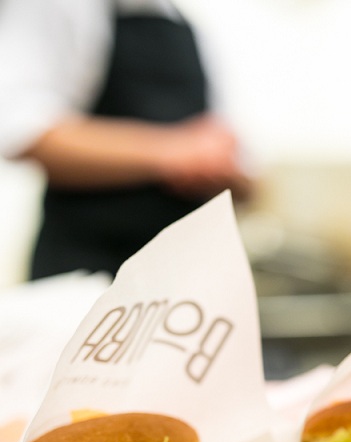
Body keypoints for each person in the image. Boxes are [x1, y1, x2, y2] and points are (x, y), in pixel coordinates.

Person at [0, 0, 252, 280]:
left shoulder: (191, 27)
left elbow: (242, 165)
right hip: (87, 267)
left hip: (186, 268)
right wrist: (173, 152)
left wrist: (221, 168)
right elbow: (21, 130)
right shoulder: (59, 6)